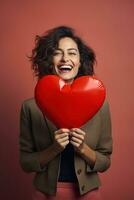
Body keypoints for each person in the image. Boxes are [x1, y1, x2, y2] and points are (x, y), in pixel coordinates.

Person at [19, 26, 112, 200]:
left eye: (72, 53)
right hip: (45, 194)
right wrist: (54, 149)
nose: (65, 59)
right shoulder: (30, 108)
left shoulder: (101, 105)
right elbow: (26, 163)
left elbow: (105, 161)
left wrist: (83, 149)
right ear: (49, 59)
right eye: (58, 53)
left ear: (80, 61)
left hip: (88, 194)